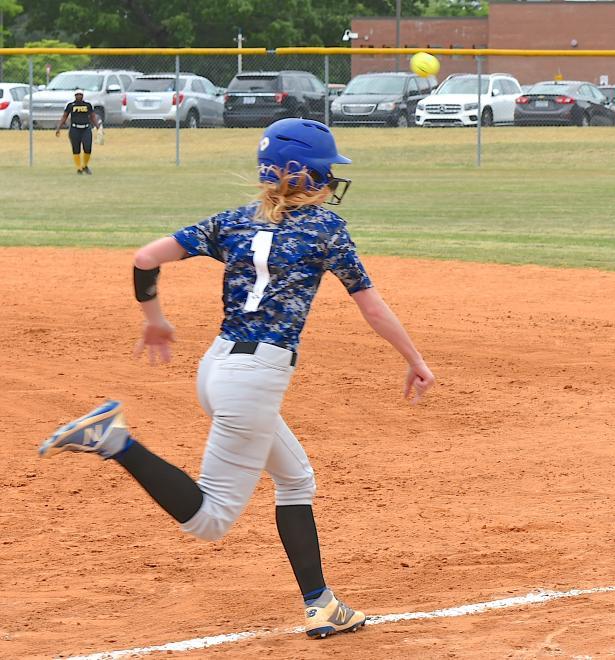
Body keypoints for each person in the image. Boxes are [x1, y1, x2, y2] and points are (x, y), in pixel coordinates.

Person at [38, 118, 436, 638]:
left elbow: (146, 258)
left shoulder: (234, 221)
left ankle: (322, 604)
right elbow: (373, 308)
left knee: (297, 479)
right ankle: (114, 440)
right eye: (325, 170)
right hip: (255, 378)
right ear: (305, 174)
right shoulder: (325, 230)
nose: (330, 180)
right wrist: (415, 358)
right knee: (209, 520)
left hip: (217, 368)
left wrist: (155, 319)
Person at [54, 89, 101, 175]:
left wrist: (98, 126)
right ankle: (79, 168)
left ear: (83, 96)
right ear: (74, 96)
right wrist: (58, 128)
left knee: (87, 148)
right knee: (76, 149)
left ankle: (85, 165)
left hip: (86, 128)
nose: (78, 96)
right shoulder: (71, 105)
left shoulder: (88, 105)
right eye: (77, 95)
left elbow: (93, 116)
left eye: (80, 94)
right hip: (74, 129)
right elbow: (64, 116)